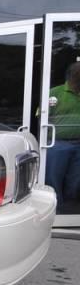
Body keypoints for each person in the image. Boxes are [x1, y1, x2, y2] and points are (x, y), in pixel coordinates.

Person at [45, 62, 80, 212]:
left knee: (75, 179)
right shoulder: (55, 93)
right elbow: (42, 117)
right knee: (53, 178)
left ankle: (70, 207)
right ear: (72, 75)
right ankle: (55, 208)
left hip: (79, 144)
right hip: (57, 143)